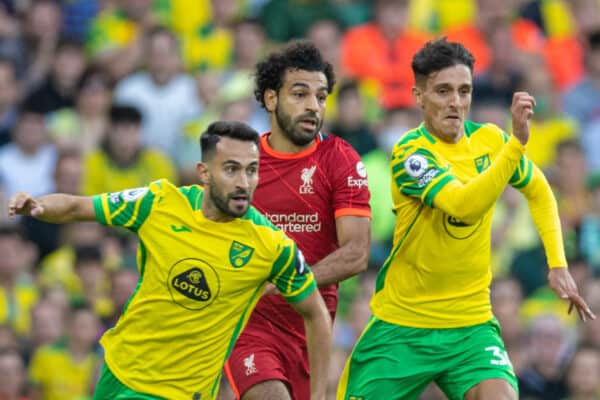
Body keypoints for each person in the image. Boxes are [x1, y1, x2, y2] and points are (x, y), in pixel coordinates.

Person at [336, 38, 595, 400]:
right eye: (443, 91)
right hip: (403, 326)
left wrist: (557, 263)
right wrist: (516, 147)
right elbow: (462, 205)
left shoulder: (489, 141)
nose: (456, 101)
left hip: (470, 325)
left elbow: (539, 189)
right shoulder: (411, 154)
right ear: (419, 96)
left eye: (464, 90)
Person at [8, 120, 332, 400]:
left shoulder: (273, 246)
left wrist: (318, 395)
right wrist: (38, 204)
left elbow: (316, 313)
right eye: (231, 169)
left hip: (178, 391)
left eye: (251, 170)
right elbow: (78, 207)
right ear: (204, 172)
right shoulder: (160, 202)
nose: (243, 183)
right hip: (120, 370)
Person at [224, 41, 371, 400]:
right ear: (271, 99)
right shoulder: (243, 163)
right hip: (251, 323)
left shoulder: (340, 159)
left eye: (320, 97)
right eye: (300, 94)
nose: (313, 106)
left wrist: (290, 281)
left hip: (312, 329)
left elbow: (356, 253)